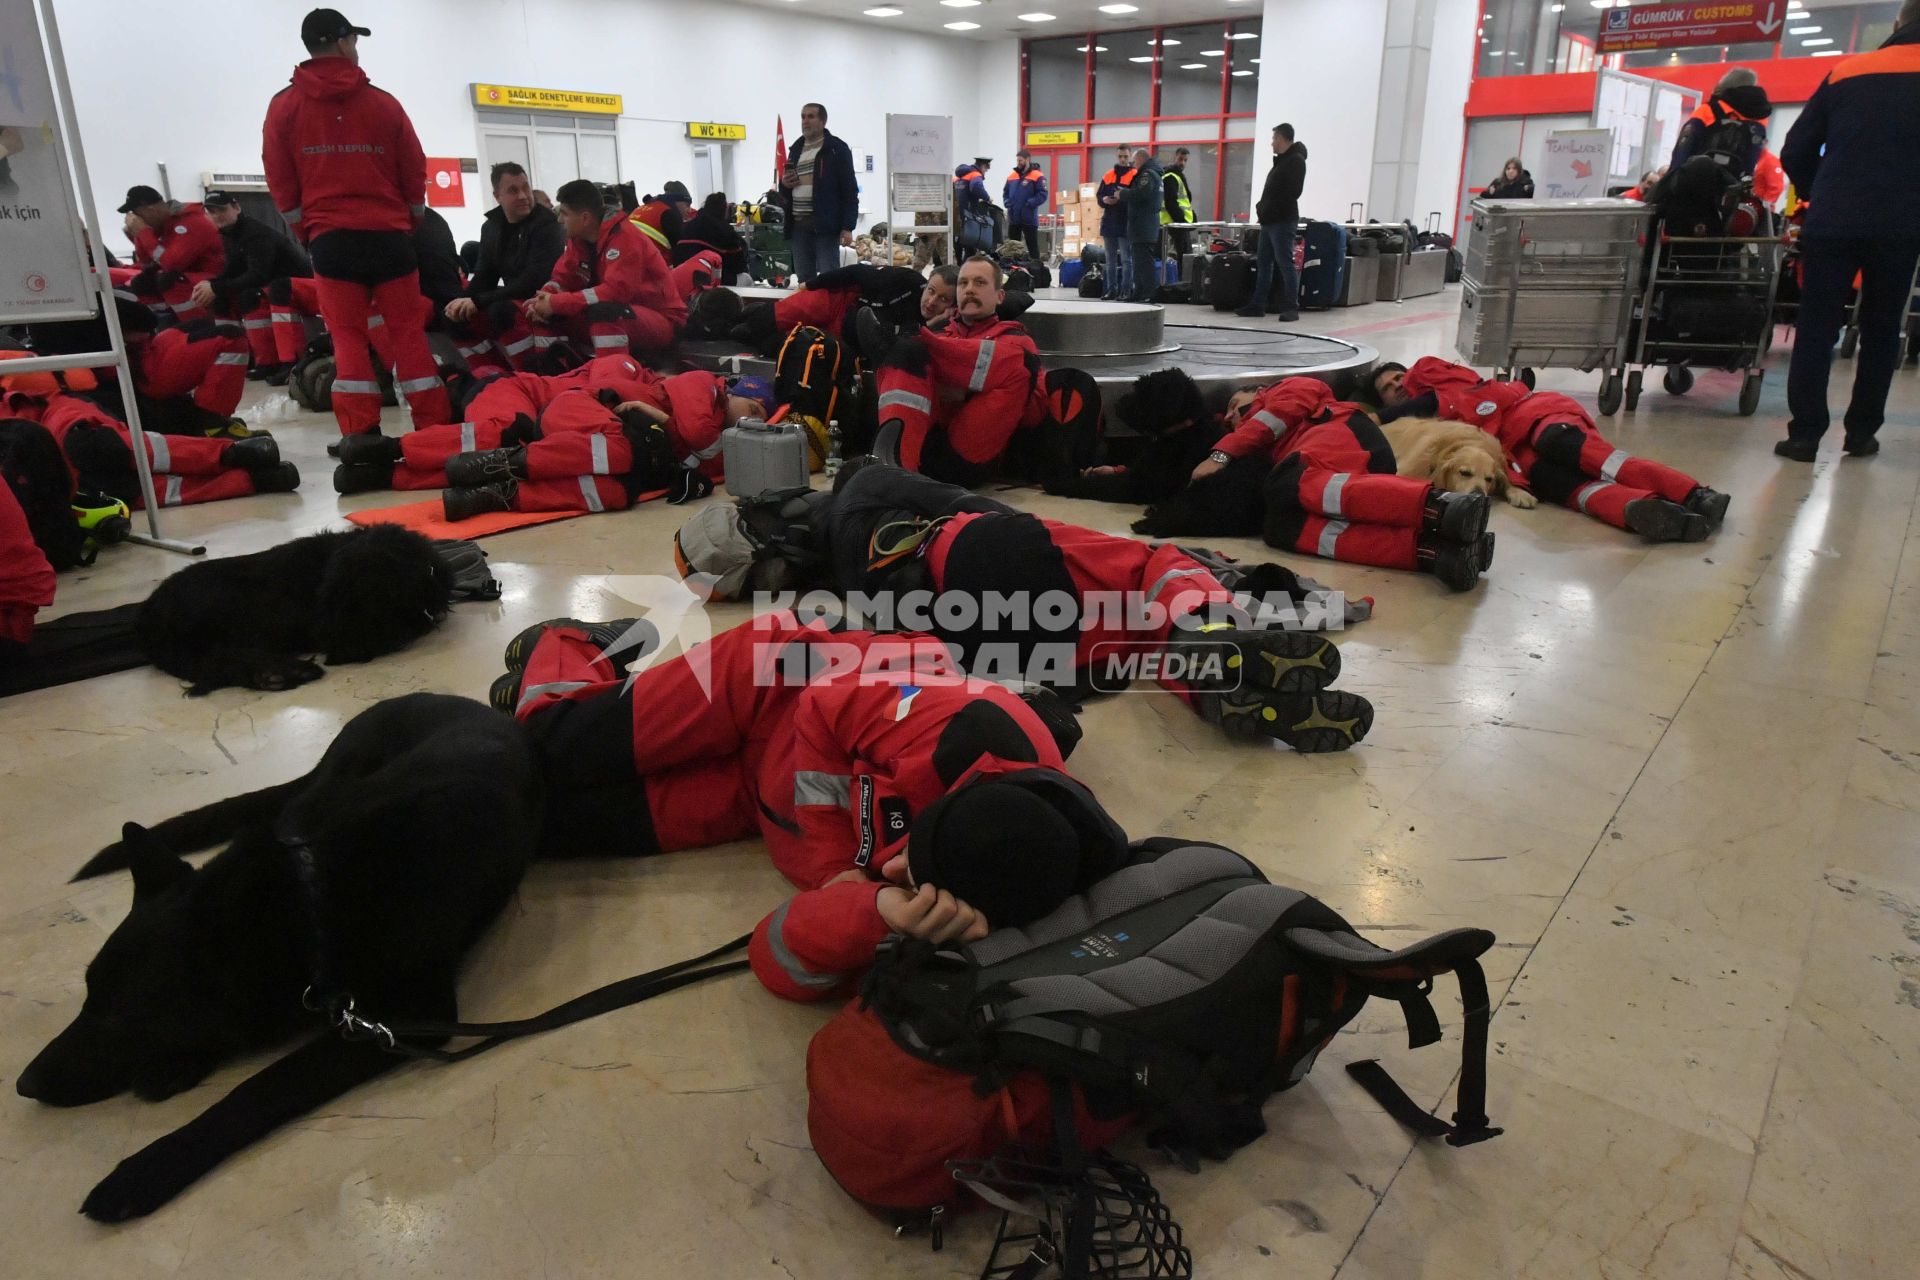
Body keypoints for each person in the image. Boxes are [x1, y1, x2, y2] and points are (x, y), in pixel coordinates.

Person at [497, 611, 1126, 1001]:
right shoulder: (962, 729)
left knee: (532, 824)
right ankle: (574, 642)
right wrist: (836, 869)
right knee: (547, 743)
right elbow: (825, 706)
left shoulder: (987, 899)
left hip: (763, 801)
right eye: (906, 861)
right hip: (776, 680)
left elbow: (779, 957)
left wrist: (875, 915)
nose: (897, 872)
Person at [675, 457, 1376, 752]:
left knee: (1133, 640)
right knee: (1152, 565)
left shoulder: (839, 593)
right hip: (983, 555)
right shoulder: (863, 489)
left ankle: (1221, 680)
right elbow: (971, 505)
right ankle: (1217, 628)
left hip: (1009, 656)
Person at [262, 9, 452, 439]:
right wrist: (408, 221)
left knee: (347, 340)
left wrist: (307, 232)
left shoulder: (284, 107)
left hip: (331, 243)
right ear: (344, 42)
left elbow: (280, 179)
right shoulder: (383, 103)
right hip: (390, 240)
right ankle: (435, 432)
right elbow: (413, 168)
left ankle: (361, 437)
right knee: (407, 335)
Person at [1775, 3, 1920, 461]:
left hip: (1833, 222)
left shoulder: (1847, 70)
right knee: (1881, 329)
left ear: (1898, 24)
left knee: (1816, 326)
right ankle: (1861, 434)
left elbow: (1795, 147)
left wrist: (1825, 191)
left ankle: (1804, 436)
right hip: (1902, 224)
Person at [1187, 376, 1494, 590]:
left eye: (1235, 404)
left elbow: (1275, 417)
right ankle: (1436, 553)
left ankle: (1439, 509)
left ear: (1260, 391)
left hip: (1348, 439)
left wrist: (1221, 455)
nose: (1231, 416)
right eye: (1226, 415)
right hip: (1335, 466)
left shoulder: (1291, 388)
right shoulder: (1266, 442)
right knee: (1281, 529)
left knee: (1287, 482)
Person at [1378, 357, 1731, 541]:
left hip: (1532, 411)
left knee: (1567, 446)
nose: (1397, 387)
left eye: (1397, 378)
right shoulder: (1423, 418)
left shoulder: (1428, 373)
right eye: (1387, 389)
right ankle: (1645, 511)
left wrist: (1380, 415)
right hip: (1510, 448)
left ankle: (1692, 493)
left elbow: (1442, 401)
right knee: (1553, 482)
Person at [872, 255, 1096, 487]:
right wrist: (976, 386)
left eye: (980, 283)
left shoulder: (1017, 342)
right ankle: (893, 471)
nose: (969, 289)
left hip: (970, 451)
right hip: (923, 442)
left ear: (1000, 296)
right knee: (905, 355)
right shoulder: (939, 333)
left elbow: (1034, 414)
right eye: (963, 283)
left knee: (1018, 365)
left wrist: (960, 389)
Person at [522, 178, 685, 365]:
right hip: (626, 314)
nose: (559, 219)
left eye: (564, 214)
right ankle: (554, 377)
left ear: (585, 218)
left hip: (660, 319)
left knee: (605, 311)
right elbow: (562, 278)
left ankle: (610, 382)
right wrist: (544, 300)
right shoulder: (578, 241)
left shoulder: (624, 237)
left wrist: (557, 303)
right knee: (543, 314)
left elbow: (616, 292)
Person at [445, 161, 566, 379]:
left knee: (499, 310)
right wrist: (462, 301)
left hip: (542, 301)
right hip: (513, 301)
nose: (522, 195)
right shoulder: (491, 227)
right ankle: (489, 375)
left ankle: (529, 375)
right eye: (513, 190)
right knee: (455, 318)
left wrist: (480, 301)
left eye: (525, 187)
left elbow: (533, 280)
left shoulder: (547, 224)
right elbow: (485, 276)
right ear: (497, 195)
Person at [192, 191, 311, 380]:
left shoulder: (256, 235)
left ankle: (291, 361)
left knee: (259, 293)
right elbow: (232, 271)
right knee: (227, 298)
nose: (216, 216)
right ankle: (255, 360)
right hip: (276, 287)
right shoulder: (230, 235)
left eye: (221, 210)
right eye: (211, 212)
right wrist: (212, 286)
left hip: (299, 288)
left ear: (237, 207)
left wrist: (216, 287)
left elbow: (258, 274)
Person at [111, 186, 227, 325]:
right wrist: (137, 235)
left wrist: (143, 232)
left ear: (151, 210)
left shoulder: (191, 222)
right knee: (142, 282)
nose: (135, 219)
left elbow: (172, 264)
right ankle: (165, 320)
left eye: (137, 214)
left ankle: (197, 325)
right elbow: (147, 263)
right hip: (191, 280)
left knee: (170, 279)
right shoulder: (162, 226)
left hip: (216, 279)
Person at [1669, 68, 1784, 205]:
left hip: (1694, 186)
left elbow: (1682, 150)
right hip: (1732, 193)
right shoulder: (1759, 118)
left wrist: (1672, 184)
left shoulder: (1707, 110)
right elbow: (1751, 161)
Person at [780, 103, 858, 283]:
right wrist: (784, 184)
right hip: (798, 225)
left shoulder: (836, 149)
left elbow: (849, 190)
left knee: (828, 278)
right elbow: (785, 190)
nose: (805, 121)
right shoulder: (796, 150)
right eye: (803, 116)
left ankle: (829, 311)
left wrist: (847, 226)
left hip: (825, 227)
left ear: (823, 121)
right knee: (804, 280)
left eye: (810, 116)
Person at [1241, 124, 1306, 321]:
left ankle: (1291, 307)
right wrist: (1263, 208)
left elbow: (1293, 192)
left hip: (1282, 221)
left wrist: (1269, 208)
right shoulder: (1282, 162)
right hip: (1270, 221)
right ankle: (1258, 304)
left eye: (1274, 138)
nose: (1271, 142)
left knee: (1285, 263)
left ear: (1283, 138)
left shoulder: (1295, 161)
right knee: (1264, 263)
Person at [676, 191, 749, 283]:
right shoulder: (726, 231)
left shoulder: (686, 227)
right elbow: (739, 266)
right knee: (746, 278)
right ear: (724, 210)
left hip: (685, 278)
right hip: (714, 280)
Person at [1123, 148, 1164, 304]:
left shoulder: (1147, 175)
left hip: (1143, 225)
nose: (1133, 165)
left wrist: (1123, 194)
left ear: (1140, 159)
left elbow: (1141, 194)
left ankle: (1147, 292)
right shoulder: (1154, 174)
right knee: (1139, 261)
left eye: (1134, 161)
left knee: (1144, 262)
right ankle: (1139, 291)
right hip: (1144, 225)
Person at [1095, 150, 1136, 301]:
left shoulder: (1135, 174)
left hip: (1125, 221)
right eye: (1120, 156)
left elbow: (1136, 196)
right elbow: (1099, 196)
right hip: (1110, 222)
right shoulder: (1108, 175)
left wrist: (1122, 197)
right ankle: (1111, 290)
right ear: (1116, 156)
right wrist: (1104, 200)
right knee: (1110, 260)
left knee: (1126, 260)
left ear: (1130, 157)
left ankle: (1126, 290)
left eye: (1126, 156)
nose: (1123, 159)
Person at [1002, 150, 1047, 260]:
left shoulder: (1037, 176)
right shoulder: (1012, 176)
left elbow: (1042, 194)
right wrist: (1007, 203)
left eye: (1020, 160)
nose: (1018, 162)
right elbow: (1005, 192)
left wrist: (1029, 203)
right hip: (1014, 218)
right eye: (1017, 160)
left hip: (1029, 217)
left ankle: (1036, 267)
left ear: (1027, 160)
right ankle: (1014, 267)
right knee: (1013, 247)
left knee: (1032, 246)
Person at [1161, 147, 1197, 258]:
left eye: (1185, 160)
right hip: (1175, 226)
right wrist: (1183, 221)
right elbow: (1171, 203)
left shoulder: (1177, 176)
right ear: (1174, 158)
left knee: (1185, 260)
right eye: (1180, 159)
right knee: (1181, 261)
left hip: (1178, 225)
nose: (1182, 163)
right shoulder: (1170, 177)